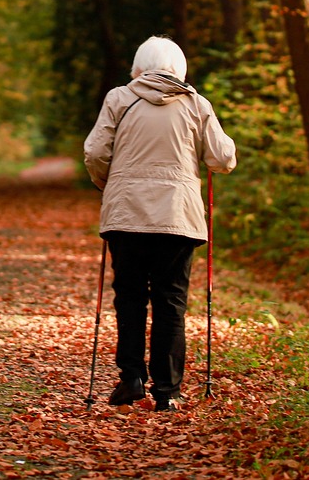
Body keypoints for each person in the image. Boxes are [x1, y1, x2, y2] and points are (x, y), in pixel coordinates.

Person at [83, 36, 237, 412]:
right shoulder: (197, 105)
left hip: (127, 215)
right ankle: (167, 391)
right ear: (180, 67)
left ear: (138, 66)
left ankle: (131, 377)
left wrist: (111, 184)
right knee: (171, 301)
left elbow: (94, 152)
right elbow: (222, 158)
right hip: (178, 218)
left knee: (130, 297)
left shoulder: (119, 99)